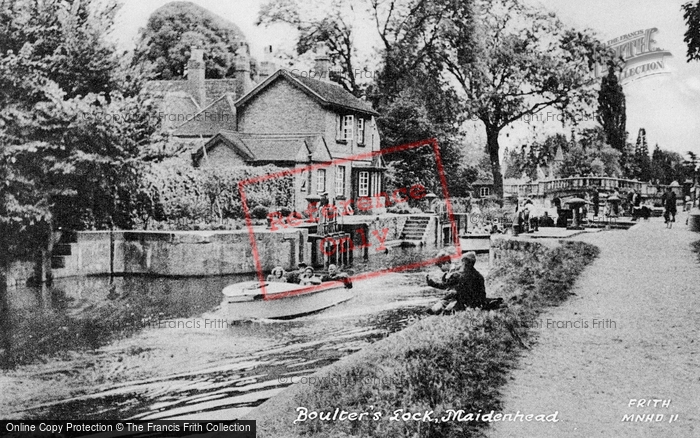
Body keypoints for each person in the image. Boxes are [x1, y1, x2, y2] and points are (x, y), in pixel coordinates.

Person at [426, 251, 504, 313]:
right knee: (443, 305)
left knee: (446, 309)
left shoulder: (461, 275)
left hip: (466, 302)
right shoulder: (478, 275)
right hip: (474, 300)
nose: (461, 265)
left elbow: (455, 290)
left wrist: (433, 284)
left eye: (462, 263)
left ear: (465, 263)